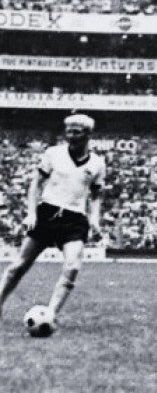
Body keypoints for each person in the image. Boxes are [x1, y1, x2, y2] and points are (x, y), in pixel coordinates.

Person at [0, 114, 105, 323]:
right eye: (69, 131)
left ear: (88, 134)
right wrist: (31, 212)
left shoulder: (97, 163)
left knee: (73, 266)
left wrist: (94, 219)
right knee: (20, 265)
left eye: (76, 132)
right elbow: (36, 183)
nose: (71, 136)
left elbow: (97, 194)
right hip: (47, 213)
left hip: (75, 219)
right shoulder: (53, 154)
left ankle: (50, 315)